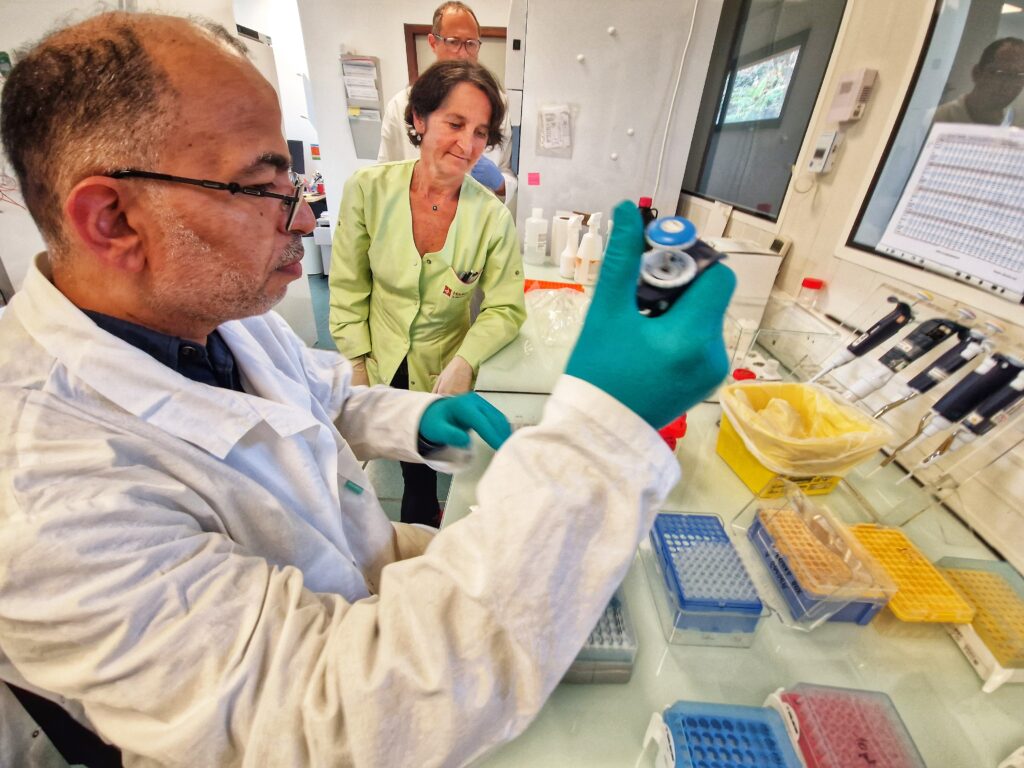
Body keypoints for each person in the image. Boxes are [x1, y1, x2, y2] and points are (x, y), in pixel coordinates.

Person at [0, 11, 735, 768]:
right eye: (259, 186)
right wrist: (601, 433)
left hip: (363, 568)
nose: (303, 213)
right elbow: (336, 717)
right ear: (111, 218)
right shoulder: (44, 500)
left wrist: (417, 418)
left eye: (291, 178)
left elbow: (318, 403)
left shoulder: (206, 311)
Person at [330, 59, 526, 528]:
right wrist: (356, 363)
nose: (467, 145)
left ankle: (427, 511)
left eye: (480, 132)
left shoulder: (491, 217)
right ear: (419, 120)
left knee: (430, 464)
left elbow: (505, 306)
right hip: (379, 352)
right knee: (382, 463)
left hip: (441, 364)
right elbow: (348, 285)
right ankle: (403, 517)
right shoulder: (368, 190)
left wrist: (466, 360)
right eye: (455, 124)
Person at [377, 1, 517, 206]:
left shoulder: (497, 103)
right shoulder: (402, 104)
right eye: (453, 42)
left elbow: (506, 171)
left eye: (471, 43)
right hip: (417, 216)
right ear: (433, 43)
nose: (463, 53)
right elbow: (384, 174)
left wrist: (499, 182)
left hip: (475, 219)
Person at [933, 37, 1024, 127]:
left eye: (1020, 76)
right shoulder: (935, 120)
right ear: (976, 73)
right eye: (1001, 74)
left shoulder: (1017, 126)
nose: (1009, 85)